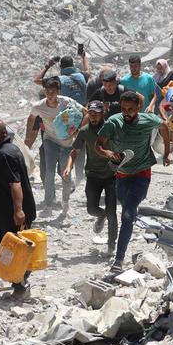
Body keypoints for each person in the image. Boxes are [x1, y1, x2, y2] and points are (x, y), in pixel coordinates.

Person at [96, 91, 171, 273]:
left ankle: (118, 260)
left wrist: (167, 152)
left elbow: (164, 127)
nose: (126, 112)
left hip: (142, 173)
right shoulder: (114, 122)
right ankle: (129, 210)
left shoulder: (147, 120)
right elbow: (98, 144)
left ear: (139, 108)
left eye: (131, 109)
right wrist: (108, 153)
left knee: (127, 215)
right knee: (125, 206)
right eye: (123, 109)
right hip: (121, 174)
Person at [0, 121, 37, 297]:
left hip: (13, 212)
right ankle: (16, 275)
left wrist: (18, 210)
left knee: (15, 247)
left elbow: (15, 183)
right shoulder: (6, 150)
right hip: (2, 209)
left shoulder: (5, 154)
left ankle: (21, 285)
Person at [65, 101, 117, 255]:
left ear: (102, 114)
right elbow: (75, 151)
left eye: (96, 113)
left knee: (112, 212)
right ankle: (101, 216)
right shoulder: (84, 131)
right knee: (91, 208)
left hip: (112, 174)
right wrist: (69, 166)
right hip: (93, 174)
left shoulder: (112, 128)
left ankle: (111, 245)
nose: (93, 116)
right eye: (91, 113)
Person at [25, 76, 83, 213]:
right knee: (49, 171)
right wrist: (28, 137)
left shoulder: (67, 102)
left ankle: (65, 200)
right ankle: (49, 202)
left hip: (67, 143)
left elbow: (84, 112)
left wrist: (78, 131)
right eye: (47, 91)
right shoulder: (39, 106)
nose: (50, 94)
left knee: (65, 173)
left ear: (58, 92)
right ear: (44, 92)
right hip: (50, 140)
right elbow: (31, 118)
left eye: (53, 91)